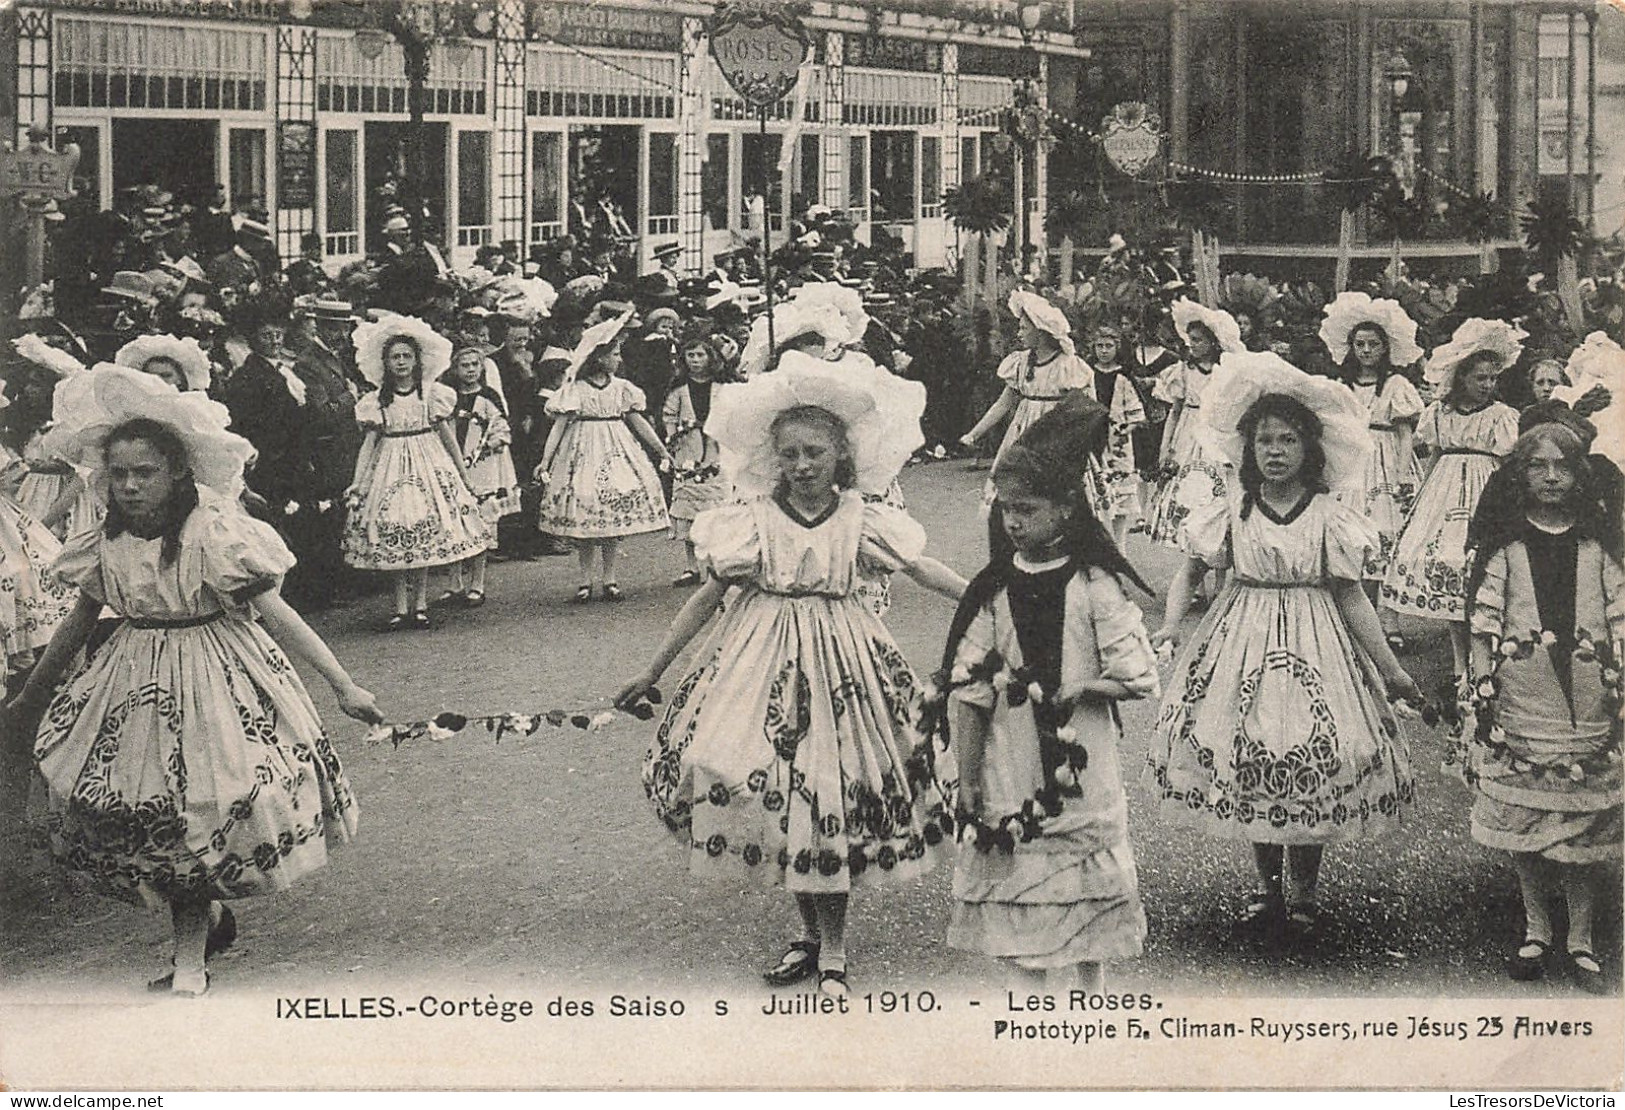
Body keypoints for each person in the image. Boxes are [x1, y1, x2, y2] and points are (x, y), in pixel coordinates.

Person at [7, 368, 382, 996]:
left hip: (217, 673)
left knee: (207, 799)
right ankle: (198, 922)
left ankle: (190, 954)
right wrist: (32, 694)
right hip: (130, 681)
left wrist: (344, 686)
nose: (128, 485)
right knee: (130, 802)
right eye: (119, 474)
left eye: (144, 472)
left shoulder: (209, 533)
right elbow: (78, 621)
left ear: (178, 471)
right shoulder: (105, 539)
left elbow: (278, 614)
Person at [616, 351, 967, 997]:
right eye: (790, 454)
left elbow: (922, 569)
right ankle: (807, 933)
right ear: (772, 458)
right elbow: (706, 597)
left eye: (814, 452)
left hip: (845, 661)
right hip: (759, 661)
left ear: (841, 456)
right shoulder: (748, 522)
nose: (802, 466)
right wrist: (652, 671)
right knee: (767, 789)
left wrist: (989, 598)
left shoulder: (862, 518)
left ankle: (830, 947)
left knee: (829, 793)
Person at [1147, 353, 1421, 945]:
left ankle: (1304, 891)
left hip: (1316, 638)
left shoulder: (1328, 514)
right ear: (1247, 449)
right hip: (1241, 634)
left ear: (1310, 449)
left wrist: (1391, 670)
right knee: (1252, 754)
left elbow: (1351, 598)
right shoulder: (1231, 508)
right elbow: (1189, 572)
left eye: (1287, 440)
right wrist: (1172, 626)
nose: (1274, 451)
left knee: (1315, 753)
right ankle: (1266, 886)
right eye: (1263, 440)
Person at [936, 395, 1159, 993]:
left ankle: (1092, 988)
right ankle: (1033, 999)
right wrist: (967, 776)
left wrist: (1084, 685)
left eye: (1027, 509)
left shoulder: (1093, 584)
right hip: (1011, 755)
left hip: (1081, 754)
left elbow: (1136, 673)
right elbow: (972, 686)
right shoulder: (995, 588)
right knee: (1022, 875)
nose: (1013, 522)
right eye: (1006, 509)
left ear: (1066, 509)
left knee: (1086, 875)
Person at [1462, 423, 1623, 993]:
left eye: (1563, 466)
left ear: (1580, 474)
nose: (1551, 476)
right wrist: (1482, 689)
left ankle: (1580, 937)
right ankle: (1536, 929)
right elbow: (1483, 623)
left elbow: (1620, 616)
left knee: (1582, 827)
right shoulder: (1505, 545)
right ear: (1521, 474)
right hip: (1523, 699)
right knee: (1527, 820)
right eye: (1538, 465)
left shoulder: (1598, 544)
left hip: (1589, 703)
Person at [1382, 319, 1524, 683]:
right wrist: (1420, 499)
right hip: (1444, 492)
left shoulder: (1501, 416)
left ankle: (1489, 660)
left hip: (1486, 490)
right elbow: (1432, 456)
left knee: (1484, 566)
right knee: (1449, 563)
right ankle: (1462, 662)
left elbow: (1508, 463)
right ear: (1461, 378)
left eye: (1493, 378)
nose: (1487, 385)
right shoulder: (1439, 414)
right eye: (1480, 378)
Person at [343, 315, 490, 629]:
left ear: (416, 361)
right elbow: (369, 445)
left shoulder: (430, 395)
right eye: (394, 357)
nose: (401, 362)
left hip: (427, 461)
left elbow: (448, 439)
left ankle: (420, 603)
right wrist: (358, 483)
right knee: (397, 525)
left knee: (423, 524)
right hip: (390, 465)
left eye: (406, 356)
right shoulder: (377, 401)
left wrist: (463, 476)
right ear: (386, 363)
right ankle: (399, 606)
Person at [535, 311, 672, 602]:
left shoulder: (622, 388)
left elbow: (638, 421)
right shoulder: (577, 390)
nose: (619, 359)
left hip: (616, 447)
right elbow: (559, 428)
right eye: (615, 354)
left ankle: (609, 578)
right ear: (599, 358)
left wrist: (660, 449)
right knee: (586, 505)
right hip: (583, 449)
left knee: (613, 508)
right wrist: (546, 461)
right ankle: (585, 580)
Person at [1318, 292, 1426, 649]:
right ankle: (1349, 619)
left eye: (1373, 344)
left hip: (1384, 461)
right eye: (1359, 344)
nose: (1365, 351)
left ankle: (1387, 620)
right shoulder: (1341, 387)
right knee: (1349, 537)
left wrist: (1399, 478)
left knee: (1384, 537)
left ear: (1385, 349)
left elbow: (1405, 433)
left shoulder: (1396, 386)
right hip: (1351, 462)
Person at [959, 290, 1095, 513]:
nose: (1019, 333)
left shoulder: (1068, 366)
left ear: (1041, 331)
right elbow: (1002, 404)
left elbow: (1088, 410)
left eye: (1023, 328)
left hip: (1056, 437)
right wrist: (974, 433)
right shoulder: (1020, 363)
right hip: (1023, 435)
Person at [1143, 299, 1246, 555]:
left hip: (1215, 436)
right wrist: (1166, 448)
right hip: (1188, 438)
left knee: (1216, 497)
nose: (1192, 345)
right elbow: (1175, 412)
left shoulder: (1226, 371)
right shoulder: (1183, 371)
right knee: (1189, 497)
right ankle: (1196, 577)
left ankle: (1220, 574)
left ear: (1213, 342)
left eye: (1199, 339)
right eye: (1190, 339)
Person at [440, 344, 520, 607]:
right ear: (455, 368)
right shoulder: (447, 397)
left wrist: (494, 441)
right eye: (465, 365)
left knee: (481, 522)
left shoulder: (488, 397)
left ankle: (477, 583)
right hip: (453, 464)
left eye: (476, 365)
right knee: (453, 522)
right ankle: (454, 583)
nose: (471, 370)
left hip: (481, 467)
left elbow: (502, 428)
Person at [664, 335, 728, 587]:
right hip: (687, 448)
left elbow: (730, 413)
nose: (695, 360)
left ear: (710, 357)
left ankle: (715, 562)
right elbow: (669, 416)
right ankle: (691, 566)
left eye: (700, 355)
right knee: (688, 507)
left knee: (715, 506)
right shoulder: (679, 389)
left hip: (715, 447)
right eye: (690, 355)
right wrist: (673, 438)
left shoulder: (722, 387)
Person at [1081, 324, 1148, 552]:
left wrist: (1127, 428)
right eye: (1099, 346)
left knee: (1120, 491)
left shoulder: (1123, 375)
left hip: (1116, 439)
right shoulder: (1087, 373)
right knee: (1096, 488)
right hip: (1092, 437)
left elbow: (1136, 411)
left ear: (1117, 348)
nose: (1104, 351)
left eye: (1109, 346)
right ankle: (1099, 542)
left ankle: (1120, 543)